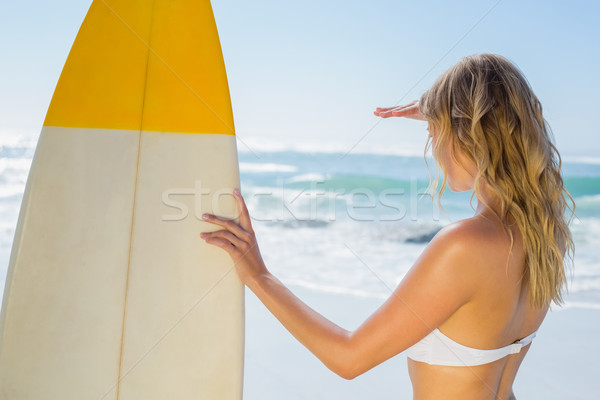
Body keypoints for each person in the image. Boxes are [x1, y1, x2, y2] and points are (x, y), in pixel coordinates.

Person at [200, 53, 574, 400]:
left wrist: (259, 275)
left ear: (467, 134)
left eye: (435, 132)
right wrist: (439, 108)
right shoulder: (544, 232)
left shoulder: (465, 246)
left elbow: (349, 358)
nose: (433, 144)